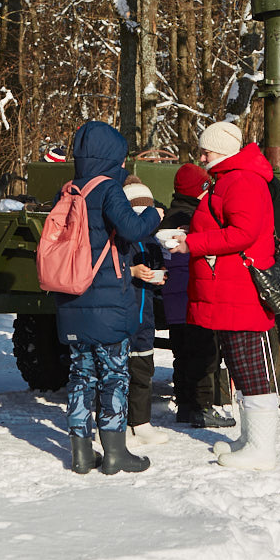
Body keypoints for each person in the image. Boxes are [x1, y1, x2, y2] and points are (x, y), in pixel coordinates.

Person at [170, 121, 280, 470]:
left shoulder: (242, 179)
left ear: (226, 150)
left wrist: (193, 243)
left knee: (251, 367)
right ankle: (250, 440)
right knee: (241, 366)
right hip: (230, 287)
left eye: (207, 151)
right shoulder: (230, 178)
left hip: (241, 288)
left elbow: (243, 233)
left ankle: (262, 448)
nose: (202, 158)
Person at [54, 121, 160, 475]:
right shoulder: (108, 189)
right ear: (113, 154)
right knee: (114, 374)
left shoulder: (68, 190)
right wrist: (152, 214)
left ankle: (81, 454)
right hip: (109, 301)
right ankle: (115, 453)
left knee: (81, 375)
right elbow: (131, 229)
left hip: (72, 296)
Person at [164, 163, 236, 428]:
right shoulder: (199, 217)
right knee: (205, 354)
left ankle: (184, 405)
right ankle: (203, 406)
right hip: (195, 294)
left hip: (172, 299)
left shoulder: (167, 217)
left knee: (182, 354)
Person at [121, 180, 169, 446]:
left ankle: (141, 422)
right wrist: (133, 272)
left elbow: (158, 268)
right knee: (118, 375)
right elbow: (109, 271)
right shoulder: (120, 241)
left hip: (145, 317)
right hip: (123, 317)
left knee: (143, 372)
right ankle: (120, 424)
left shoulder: (151, 241)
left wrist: (161, 277)